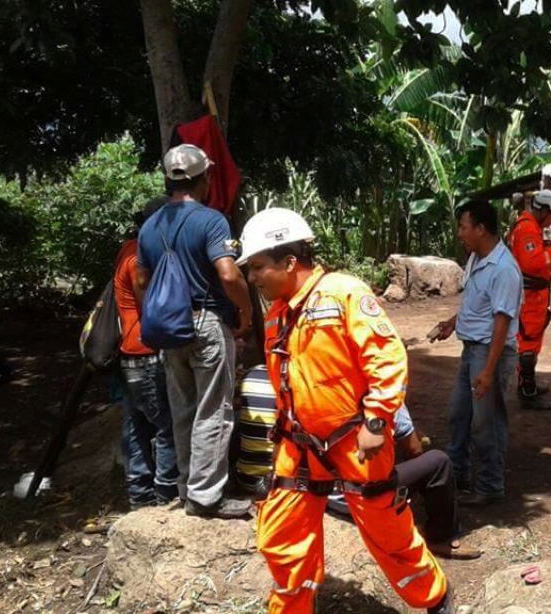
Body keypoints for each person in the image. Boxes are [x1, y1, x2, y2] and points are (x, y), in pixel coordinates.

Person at [240, 208, 451, 614]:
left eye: (258, 267)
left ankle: (435, 600)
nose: (252, 278)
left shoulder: (343, 294)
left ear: (288, 261)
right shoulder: (277, 315)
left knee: (387, 532)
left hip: (357, 441)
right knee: (281, 536)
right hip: (298, 446)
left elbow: (386, 359)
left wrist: (376, 420)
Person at [234, 364, 481, 560]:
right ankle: (441, 536)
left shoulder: (300, 385)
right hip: (355, 496)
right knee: (437, 462)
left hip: (312, 490)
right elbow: (414, 450)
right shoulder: (378, 390)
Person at [135, 144, 254, 519]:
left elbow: (140, 278)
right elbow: (228, 273)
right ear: (205, 177)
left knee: (183, 407)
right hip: (205, 322)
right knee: (213, 408)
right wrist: (245, 311)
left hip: (169, 330)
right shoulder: (212, 220)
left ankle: (188, 488)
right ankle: (206, 497)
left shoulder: (150, 226)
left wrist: (153, 313)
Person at [433, 200, 521, 508]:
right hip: (472, 350)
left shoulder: (504, 269)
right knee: (459, 416)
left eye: (463, 226)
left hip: (489, 353)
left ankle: (490, 484)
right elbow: (477, 303)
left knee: (487, 422)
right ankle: (458, 475)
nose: (460, 233)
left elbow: (502, 321)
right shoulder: (477, 259)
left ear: (481, 229)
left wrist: (488, 370)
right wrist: (452, 323)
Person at [115, 198, 178, 508]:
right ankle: (166, 493)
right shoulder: (137, 257)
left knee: (136, 425)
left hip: (131, 351)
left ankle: (139, 495)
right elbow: (152, 306)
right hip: (146, 352)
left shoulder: (128, 249)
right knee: (166, 424)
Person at [507, 189, 551, 410]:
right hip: (530, 295)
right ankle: (527, 392)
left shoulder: (530, 227)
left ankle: (527, 384)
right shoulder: (527, 229)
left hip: (534, 294)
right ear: (543, 211)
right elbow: (532, 263)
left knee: (532, 339)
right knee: (528, 342)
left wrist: (549, 247)